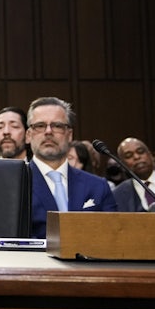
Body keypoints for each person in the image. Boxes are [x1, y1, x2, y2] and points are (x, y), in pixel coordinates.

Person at [25, 97, 116, 238]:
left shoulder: (98, 186)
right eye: (40, 126)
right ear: (29, 135)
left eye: (57, 126)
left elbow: (114, 237)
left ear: (69, 135)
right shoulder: (14, 186)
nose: (48, 131)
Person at [111, 137, 155, 212]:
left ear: (150, 155)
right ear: (122, 164)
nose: (137, 157)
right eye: (129, 156)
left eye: (140, 152)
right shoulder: (117, 194)